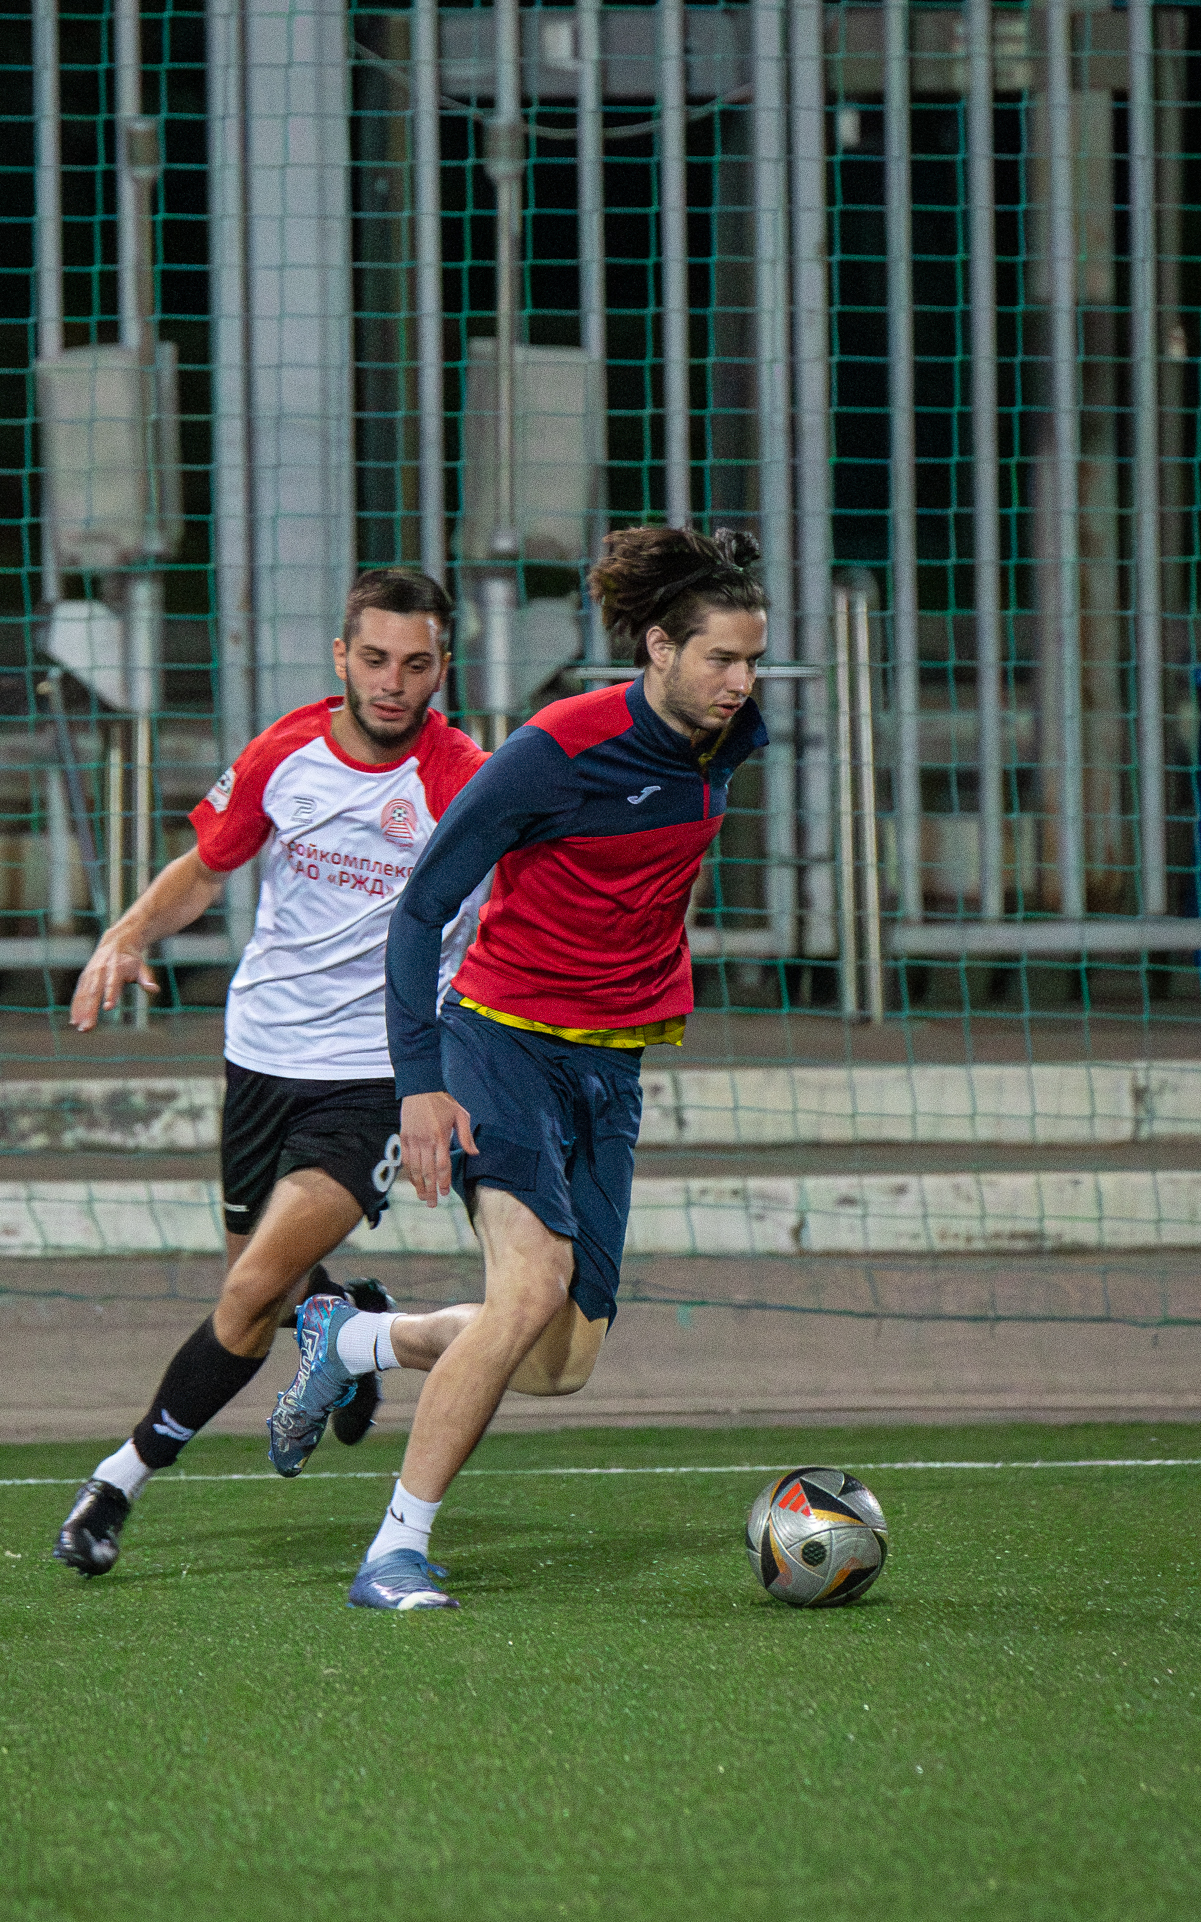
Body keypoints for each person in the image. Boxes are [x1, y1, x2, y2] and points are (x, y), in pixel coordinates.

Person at [267, 525, 768, 1611]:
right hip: (500, 1041)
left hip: (612, 1066)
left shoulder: (727, 736)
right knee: (529, 1286)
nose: (743, 682)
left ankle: (354, 1335)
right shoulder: (555, 748)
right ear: (659, 648)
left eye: (753, 660)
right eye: (722, 659)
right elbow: (420, 912)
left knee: (557, 1362)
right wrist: (419, 1083)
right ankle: (393, 1552)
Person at [54, 569, 489, 1575]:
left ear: (442, 670)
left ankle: (117, 1481)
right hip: (260, 1054)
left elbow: (517, 902)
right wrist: (127, 933)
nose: (392, 683)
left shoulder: (464, 780)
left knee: (248, 1290)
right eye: (374, 659)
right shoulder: (284, 752)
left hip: (375, 1073)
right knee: (272, 1294)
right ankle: (348, 1326)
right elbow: (207, 866)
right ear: (342, 657)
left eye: (415, 664)